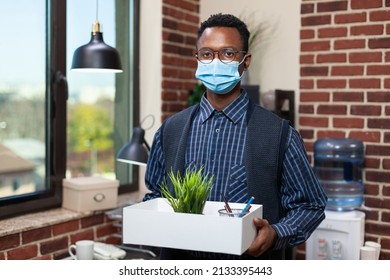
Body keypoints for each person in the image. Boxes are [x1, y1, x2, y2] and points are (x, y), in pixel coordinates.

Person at [143, 13, 327, 260]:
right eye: (207, 54)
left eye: (228, 53)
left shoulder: (279, 134)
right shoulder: (169, 130)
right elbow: (156, 195)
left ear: (245, 61)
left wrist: (276, 233)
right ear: (197, 59)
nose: (216, 61)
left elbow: (310, 205)